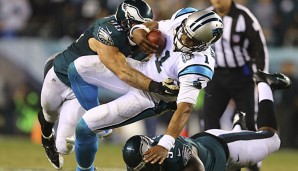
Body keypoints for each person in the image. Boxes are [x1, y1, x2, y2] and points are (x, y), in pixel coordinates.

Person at [67, 8, 223, 171]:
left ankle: (85, 169)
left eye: (191, 40)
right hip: (142, 70)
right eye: (184, 32)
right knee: (79, 67)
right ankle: (103, 125)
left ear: (204, 44)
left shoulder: (198, 66)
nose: (183, 39)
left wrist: (165, 144)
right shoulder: (182, 17)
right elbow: (153, 25)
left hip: (153, 97)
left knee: (85, 126)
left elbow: (185, 108)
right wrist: (139, 32)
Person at [37, 0, 171, 169]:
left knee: (64, 147)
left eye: (145, 24)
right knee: (48, 115)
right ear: (125, 22)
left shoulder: (144, 40)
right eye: (138, 24)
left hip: (79, 89)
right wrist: (156, 87)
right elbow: (122, 71)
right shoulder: (107, 30)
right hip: (60, 75)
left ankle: (89, 140)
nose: (142, 30)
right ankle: (46, 137)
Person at [122, 70, 292, 171]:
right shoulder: (137, 161)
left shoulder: (176, 154)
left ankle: (264, 84)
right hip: (213, 154)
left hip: (227, 149)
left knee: (272, 138)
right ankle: (238, 126)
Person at [202, 0, 269, 138]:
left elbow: (259, 49)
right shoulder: (205, 16)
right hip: (216, 76)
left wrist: (261, 79)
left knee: (247, 121)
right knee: (209, 119)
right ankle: (214, 156)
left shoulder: (244, 16)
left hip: (241, 76)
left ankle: (251, 158)